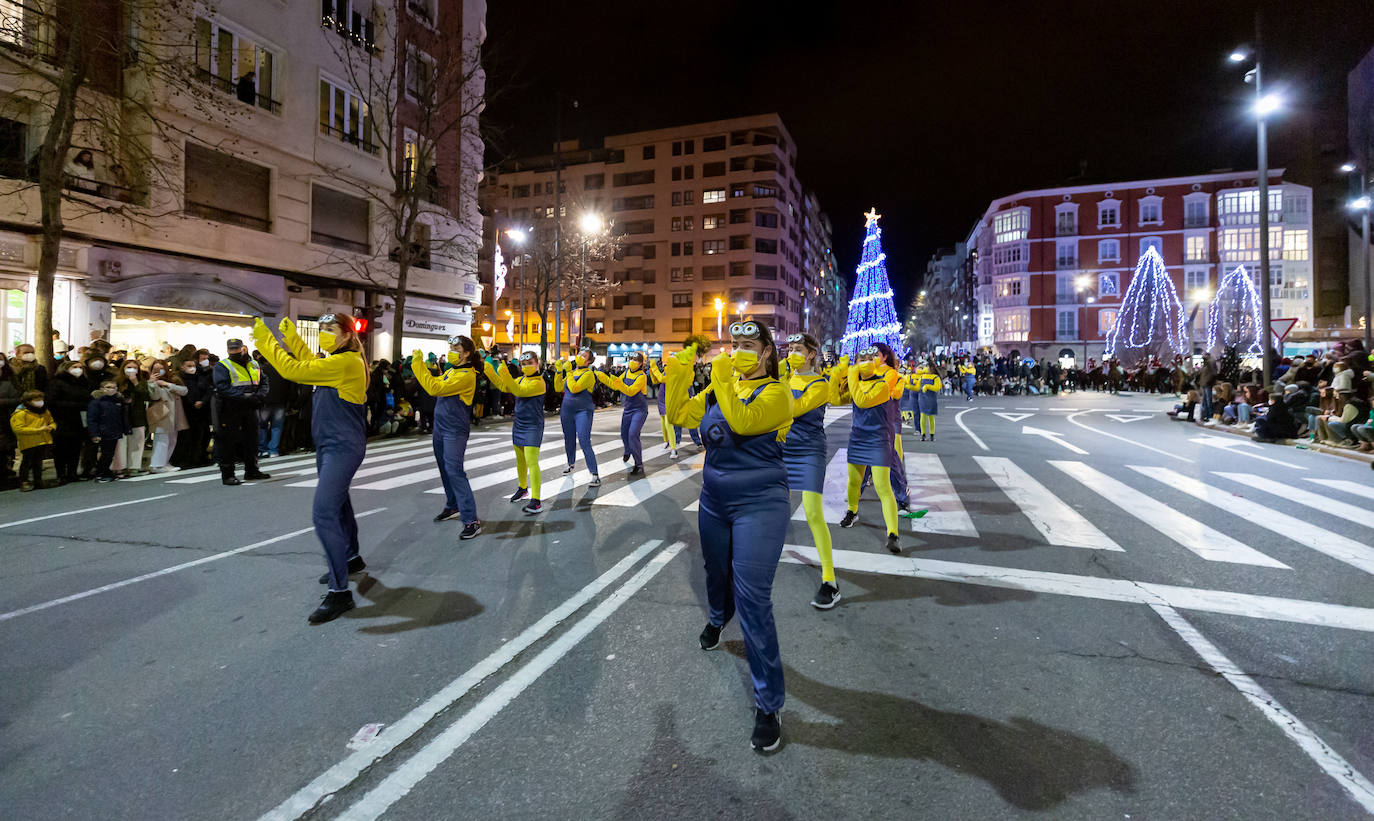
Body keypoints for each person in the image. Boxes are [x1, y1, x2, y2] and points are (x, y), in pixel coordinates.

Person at [664, 322, 792, 752]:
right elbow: (680, 414)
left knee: (754, 598)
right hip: (714, 499)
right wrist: (681, 370)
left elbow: (742, 421)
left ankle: (769, 702)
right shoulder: (721, 385)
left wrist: (720, 378)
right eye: (733, 345)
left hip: (761, 502)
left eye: (747, 346)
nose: (736, 352)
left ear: (767, 351)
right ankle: (719, 617)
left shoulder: (777, 394)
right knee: (715, 572)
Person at [251, 314, 369, 623]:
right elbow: (309, 365)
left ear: (346, 335)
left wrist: (267, 342)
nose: (325, 335)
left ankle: (340, 592)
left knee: (324, 513)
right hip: (330, 445)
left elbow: (295, 370)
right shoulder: (338, 360)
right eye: (321, 330)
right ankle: (351, 557)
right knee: (339, 503)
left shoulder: (346, 364)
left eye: (330, 330)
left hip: (342, 447)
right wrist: (293, 341)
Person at [781, 333, 840, 609]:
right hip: (779, 448)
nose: (793, 353)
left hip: (808, 452)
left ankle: (830, 581)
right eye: (790, 349)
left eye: (798, 349)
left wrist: (777, 382)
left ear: (812, 354)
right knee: (769, 507)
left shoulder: (820, 384)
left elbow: (794, 409)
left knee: (813, 512)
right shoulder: (783, 378)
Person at [411, 335, 482, 537]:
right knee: (444, 468)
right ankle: (453, 505)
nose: (451, 350)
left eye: (456, 348)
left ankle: (471, 520)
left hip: (454, 429)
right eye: (450, 347)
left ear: (467, 352)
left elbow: (434, 388)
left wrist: (417, 364)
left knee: (454, 470)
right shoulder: (452, 370)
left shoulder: (467, 375)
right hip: (441, 427)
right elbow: (434, 382)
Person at [835, 345, 902, 555]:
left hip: (878, 439)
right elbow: (835, 399)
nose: (865, 361)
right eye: (860, 359)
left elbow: (862, 402)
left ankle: (893, 534)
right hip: (858, 437)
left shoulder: (882, 385)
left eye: (869, 358)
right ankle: (852, 511)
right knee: (854, 481)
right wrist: (838, 373)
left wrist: (852, 374)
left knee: (883, 486)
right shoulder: (855, 384)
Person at [482, 349, 547, 515]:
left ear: (537, 364)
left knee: (531, 461)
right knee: (520, 460)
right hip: (519, 424)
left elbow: (518, 392)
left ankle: (536, 500)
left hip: (533, 425)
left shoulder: (539, 382)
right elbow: (505, 387)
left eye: (529, 363)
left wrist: (504, 373)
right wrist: (490, 371)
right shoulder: (520, 379)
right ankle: (522, 488)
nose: (526, 366)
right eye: (523, 364)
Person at [212, 338, 270, 485]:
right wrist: (245, 397)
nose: (235, 352)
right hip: (230, 408)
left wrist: (260, 396)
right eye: (232, 350)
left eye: (237, 349)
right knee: (228, 442)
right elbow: (222, 387)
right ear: (227, 350)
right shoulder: (223, 365)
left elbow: (264, 382)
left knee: (252, 440)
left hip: (250, 407)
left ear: (243, 348)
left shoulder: (253, 364)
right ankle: (228, 475)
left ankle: (252, 471)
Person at [596, 351, 650, 475]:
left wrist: (619, 383)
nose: (632, 361)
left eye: (635, 360)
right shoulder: (625, 373)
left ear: (641, 363)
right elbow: (615, 386)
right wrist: (602, 377)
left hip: (639, 410)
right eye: (631, 359)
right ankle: (628, 450)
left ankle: (638, 464)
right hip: (628, 409)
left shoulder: (642, 376)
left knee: (633, 434)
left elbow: (630, 391)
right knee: (624, 434)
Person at [555, 344, 601, 486]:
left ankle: (594, 474)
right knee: (568, 438)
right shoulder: (572, 373)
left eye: (583, 356)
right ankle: (570, 463)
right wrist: (558, 372)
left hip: (583, 411)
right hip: (567, 410)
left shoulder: (588, 374)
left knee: (584, 440)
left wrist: (568, 372)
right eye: (579, 354)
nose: (579, 357)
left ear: (589, 361)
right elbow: (558, 387)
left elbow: (574, 389)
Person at [47, 359, 90, 483]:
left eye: (81, 367)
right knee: (61, 448)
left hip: (79, 419)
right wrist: (76, 405)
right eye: (75, 367)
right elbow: (52, 401)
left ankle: (72, 472)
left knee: (75, 447)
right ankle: (61, 474)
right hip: (62, 419)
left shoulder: (83, 382)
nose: (78, 370)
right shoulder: (57, 382)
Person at [111, 359, 152, 477]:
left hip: (137, 415)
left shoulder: (142, 381)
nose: (132, 370)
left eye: (134, 367)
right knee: (120, 443)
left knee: (137, 442)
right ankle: (119, 468)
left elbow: (146, 396)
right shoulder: (117, 381)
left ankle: (134, 467)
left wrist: (135, 382)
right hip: (121, 415)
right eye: (129, 367)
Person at [146, 359, 187, 472]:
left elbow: (184, 390)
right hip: (160, 413)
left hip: (175, 413)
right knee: (161, 439)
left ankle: (165, 462)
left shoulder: (173, 379)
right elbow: (154, 396)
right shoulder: (149, 382)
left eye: (161, 369)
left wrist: (167, 384)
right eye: (155, 369)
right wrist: (152, 383)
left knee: (172, 439)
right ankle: (156, 464)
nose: (159, 372)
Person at [10, 390, 54, 490]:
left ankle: (38, 481)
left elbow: (51, 422)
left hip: (42, 440)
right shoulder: (20, 413)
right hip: (28, 442)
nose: (40, 401)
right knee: (26, 463)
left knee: (38, 462)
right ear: (28, 401)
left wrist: (51, 427)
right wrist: (38, 430)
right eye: (36, 399)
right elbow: (18, 429)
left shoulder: (44, 411)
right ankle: (24, 482)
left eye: (41, 399)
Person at [87, 379, 126, 482]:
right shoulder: (96, 402)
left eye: (114, 387)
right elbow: (92, 419)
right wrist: (94, 433)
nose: (111, 390)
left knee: (110, 453)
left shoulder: (117, 401)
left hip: (114, 431)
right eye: (108, 387)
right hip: (103, 431)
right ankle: (100, 472)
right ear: (101, 389)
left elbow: (121, 417)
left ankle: (105, 471)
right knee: (106, 453)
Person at [257, 350, 291, 458]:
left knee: (262, 425)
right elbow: (290, 388)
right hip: (280, 402)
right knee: (277, 427)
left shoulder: (262, 370)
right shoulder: (282, 370)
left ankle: (263, 448)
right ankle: (273, 450)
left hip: (265, 402)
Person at [914, 359, 941, 441]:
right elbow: (918, 387)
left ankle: (932, 434)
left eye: (926, 366)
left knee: (931, 417)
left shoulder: (936, 377)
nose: (924, 368)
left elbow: (937, 387)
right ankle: (923, 434)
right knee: (923, 416)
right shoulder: (922, 376)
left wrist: (928, 386)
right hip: (922, 398)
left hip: (931, 399)